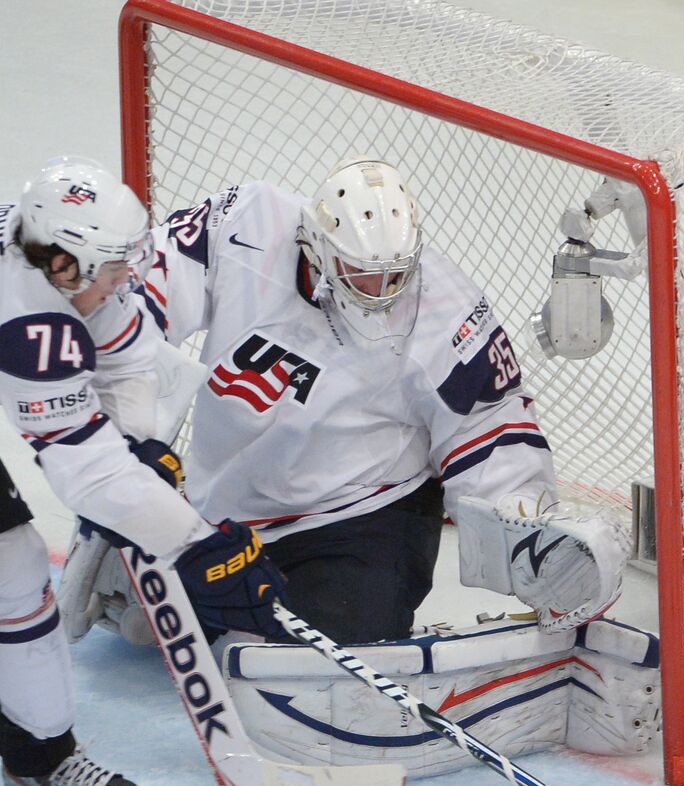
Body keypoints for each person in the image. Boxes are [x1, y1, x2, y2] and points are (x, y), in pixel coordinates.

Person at [84, 157, 625, 647]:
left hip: (362, 514)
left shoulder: (444, 307)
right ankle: (158, 591)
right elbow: (138, 291)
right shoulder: (247, 226)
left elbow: (487, 424)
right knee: (201, 614)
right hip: (228, 506)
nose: (385, 288)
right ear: (317, 249)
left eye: (398, 271)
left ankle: (184, 605)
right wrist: (129, 432)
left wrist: (525, 529)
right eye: (366, 273)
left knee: (340, 645)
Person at [0, 156, 286, 786]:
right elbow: (82, 469)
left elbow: (129, 362)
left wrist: (139, 446)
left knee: (12, 567)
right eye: (111, 271)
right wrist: (194, 544)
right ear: (63, 267)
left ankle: (39, 760)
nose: (126, 281)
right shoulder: (26, 313)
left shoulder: (63, 261)